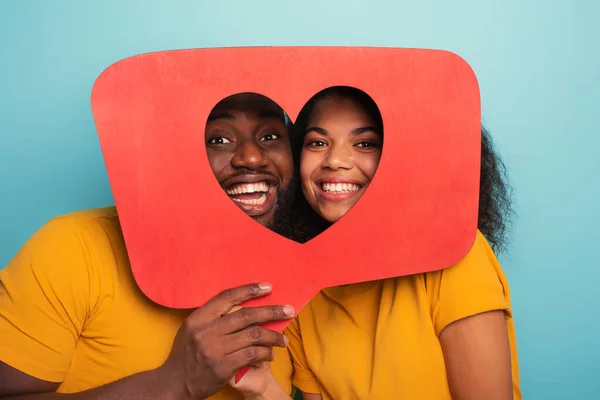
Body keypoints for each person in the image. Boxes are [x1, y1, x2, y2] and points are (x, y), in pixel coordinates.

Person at [0, 93, 298, 399]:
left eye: (271, 135)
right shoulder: (72, 247)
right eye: (218, 140)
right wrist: (176, 381)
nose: (251, 157)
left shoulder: (304, 272)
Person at [233, 86, 522, 400]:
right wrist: (260, 388)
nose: (336, 160)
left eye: (365, 143)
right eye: (317, 142)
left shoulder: (455, 257)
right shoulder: (305, 289)